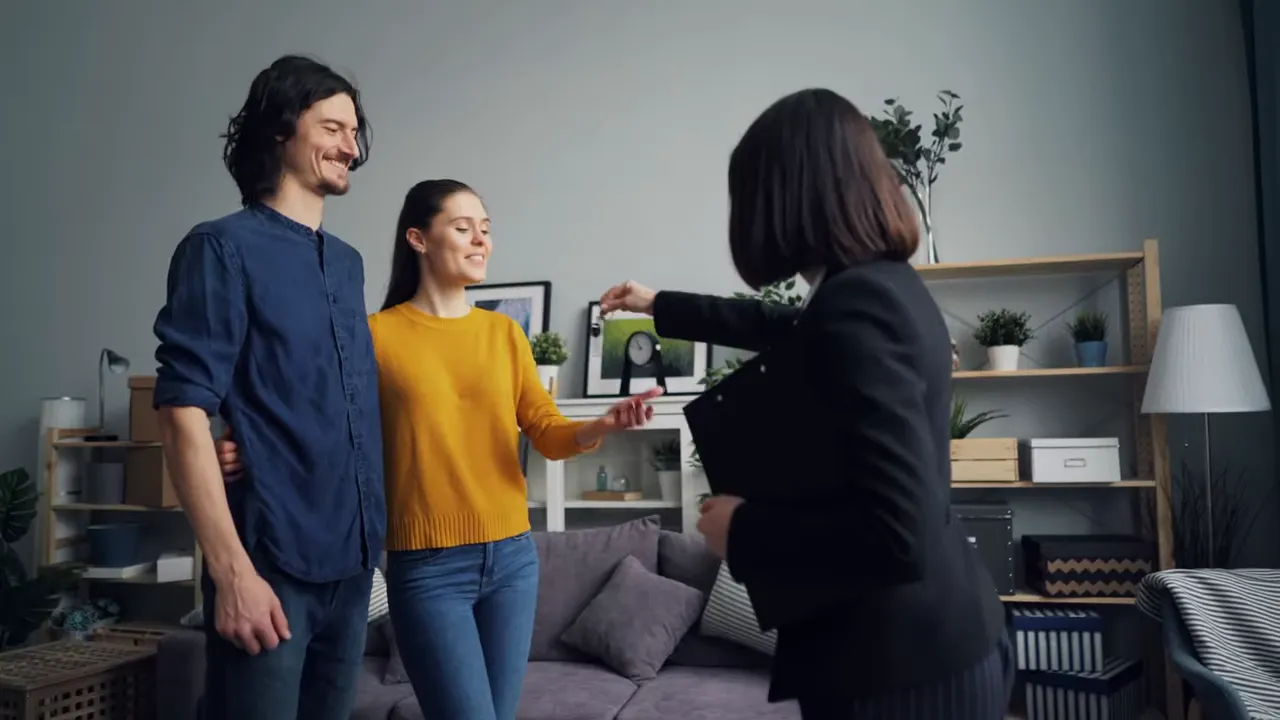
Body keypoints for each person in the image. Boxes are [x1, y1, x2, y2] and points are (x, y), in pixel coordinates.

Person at [597, 88, 1013, 719]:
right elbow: (778, 324)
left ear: (784, 194)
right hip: (926, 650)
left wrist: (743, 530)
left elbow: (900, 532)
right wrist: (659, 304)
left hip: (901, 672)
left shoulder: (857, 303)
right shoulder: (878, 287)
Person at [217, 179, 662, 720]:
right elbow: (322, 424)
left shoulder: (504, 334)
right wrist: (250, 450)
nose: (481, 240)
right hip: (428, 569)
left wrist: (602, 426)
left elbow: (546, 431)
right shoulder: (373, 336)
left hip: (514, 560)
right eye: (463, 227)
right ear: (419, 239)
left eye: (486, 229)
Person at [151, 55, 384, 720]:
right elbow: (182, 413)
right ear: (281, 129)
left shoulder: (348, 265)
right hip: (270, 568)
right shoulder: (219, 248)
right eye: (333, 128)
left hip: (353, 568)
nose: (351, 147)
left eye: (354, 132)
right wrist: (232, 574)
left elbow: (321, 404)